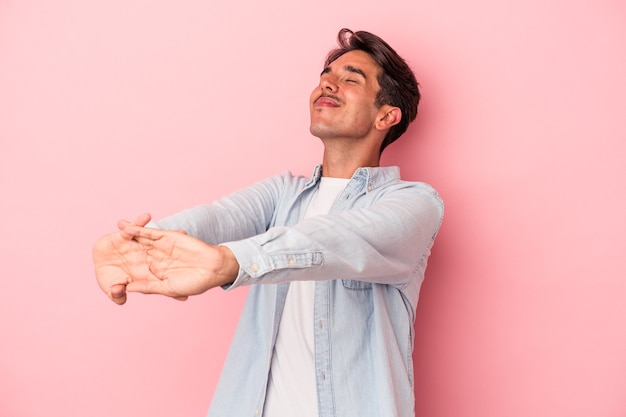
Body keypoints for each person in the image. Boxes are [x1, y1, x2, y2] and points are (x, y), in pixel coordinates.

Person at [93, 28, 444, 417]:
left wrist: (231, 262)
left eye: (350, 79)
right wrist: (139, 245)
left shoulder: (414, 203)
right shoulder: (282, 193)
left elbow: (339, 239)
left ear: (386, 116)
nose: (327, 82)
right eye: (326, 75)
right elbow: (217, 217)